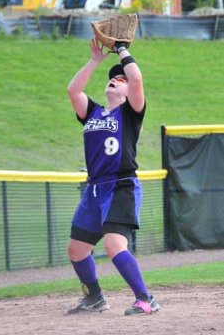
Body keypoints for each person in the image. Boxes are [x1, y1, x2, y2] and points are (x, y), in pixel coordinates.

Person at [66, 38, 160, 316]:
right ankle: (95, 298)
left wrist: (121, 49)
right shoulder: (93, 112)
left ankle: (146, 299)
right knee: (76, 250)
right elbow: (73, 91)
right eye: (112, 79)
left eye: (120, 79)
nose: (115, 80)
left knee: (113, 245)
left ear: (128, 90)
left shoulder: (131, 114)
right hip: (94, 189)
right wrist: (95, 60)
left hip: (121, 186)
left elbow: (137, 79)